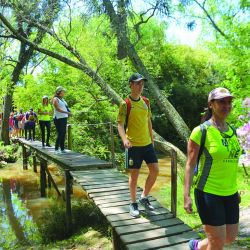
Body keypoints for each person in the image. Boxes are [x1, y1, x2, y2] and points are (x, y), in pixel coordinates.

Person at [184, 87, 241, 250]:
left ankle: (196, 246)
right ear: (211, 105)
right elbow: (190, 164)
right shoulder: (201, 131)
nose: (226, 105)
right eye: (221, 102)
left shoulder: (233, 131)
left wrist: (235, 190)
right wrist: (186, 195)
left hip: (230, 193)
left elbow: (230, 164)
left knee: (229, 238)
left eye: (229, 102)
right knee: (217, 243)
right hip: (208, 193)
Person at [117, 73, 159, 218]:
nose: (140, 86)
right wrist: (124, 139)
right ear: (131, 84)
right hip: (133, 145)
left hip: (147, 143)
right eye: (137, 83)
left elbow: (148, 121)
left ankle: (144, 197)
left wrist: (152, 138)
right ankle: (133, 203)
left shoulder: (146, 102)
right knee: (134, 175)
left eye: (142, 84)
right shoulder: (125, 104)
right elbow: (120, 124)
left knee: (155, 170)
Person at [52, 86, 72, 154]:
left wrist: (69, 112)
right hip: (58, 118)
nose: (64, 93)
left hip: (64, 118)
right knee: (60, 133)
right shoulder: (55, 99)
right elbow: (57, 109)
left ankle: (62, 149)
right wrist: (67, 112)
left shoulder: (63, 100)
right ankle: (56, 149)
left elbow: (66, 108)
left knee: (63, 133)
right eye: (63, 91)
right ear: (59, 92)